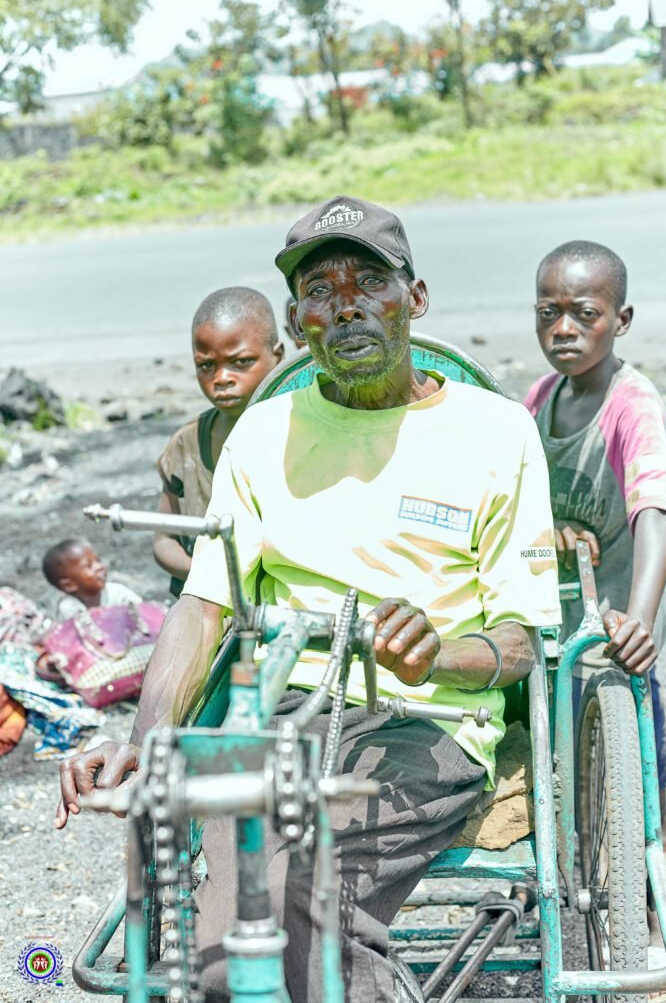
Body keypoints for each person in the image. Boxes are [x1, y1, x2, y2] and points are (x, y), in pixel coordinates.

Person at [56, 196, 561, 1003]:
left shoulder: (496, 433)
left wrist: (436, 651)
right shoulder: (263, 433)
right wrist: (148, 740)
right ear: (299, 321)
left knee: (308, 908)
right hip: (283, 714)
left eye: (369, 279)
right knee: (222, 958)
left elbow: (520, 641)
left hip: (423, 726)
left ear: (415, 298)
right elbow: (204, 605)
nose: (347, 302)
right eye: (320, 289)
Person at [524, 239, 666, 866]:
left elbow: (658, 508)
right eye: (547, 312)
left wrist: (640, 617)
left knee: (635, 721)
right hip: (563, 604)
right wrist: (552, 531)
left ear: (621, 320)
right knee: (563, 735)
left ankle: (652, 847)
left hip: (620, 603)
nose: (564, 329)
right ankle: (576, 850)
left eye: (584, 313)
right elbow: (523, 497)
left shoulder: (632, 403)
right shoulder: (540, 399)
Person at [153, 287, 284, 595]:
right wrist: (206, 573)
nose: (222, 378)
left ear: (277, 357)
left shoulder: (302, 428)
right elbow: (164, 539)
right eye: (207, 366)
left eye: (241, 362)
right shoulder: (187, 445)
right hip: (208, 600)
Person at [42, 538, 141, 623]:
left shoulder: (118, 593)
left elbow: (145, 613)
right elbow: (70, 639)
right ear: (70, 585)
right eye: (89, 566)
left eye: (98, 560)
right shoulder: (68, 609)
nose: (100, 567)